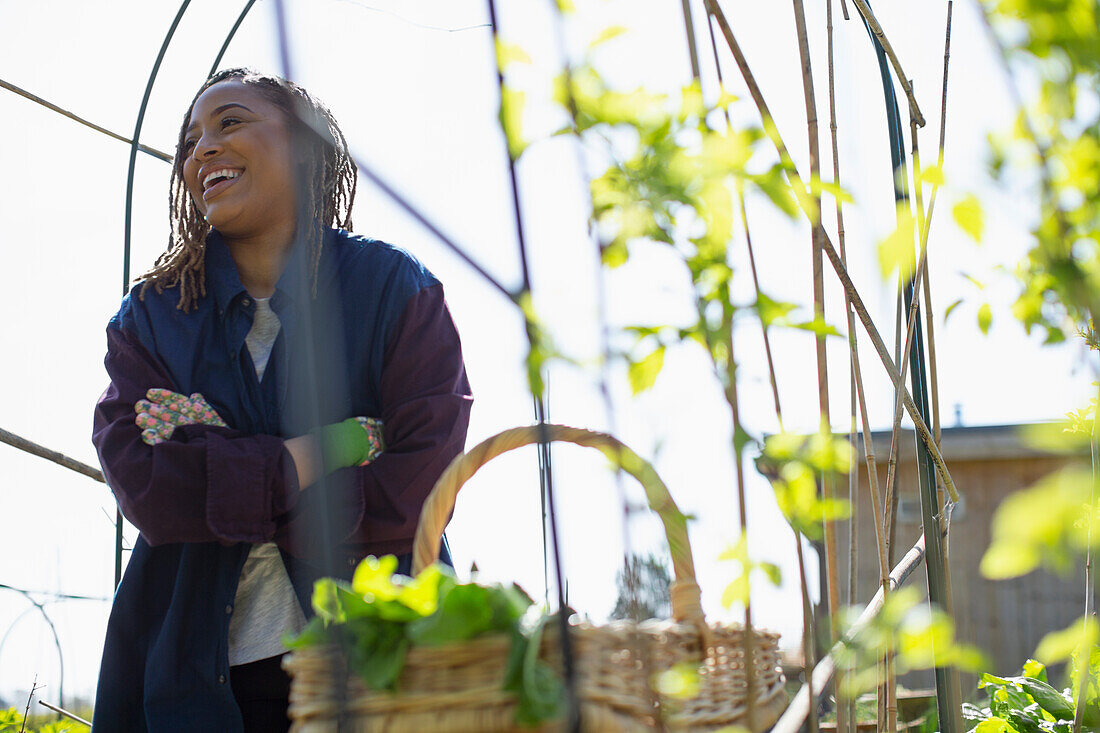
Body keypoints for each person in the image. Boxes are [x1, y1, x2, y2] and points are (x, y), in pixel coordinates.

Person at [90, 67, 473, 732]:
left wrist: (222, 471)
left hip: (380, 669)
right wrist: (331, 449)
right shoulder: (149, 318)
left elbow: (420, 486)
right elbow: (151, 491)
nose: (202, 149)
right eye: (191, 140)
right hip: (192, 685)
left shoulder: (394, 288)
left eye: (230, 122)